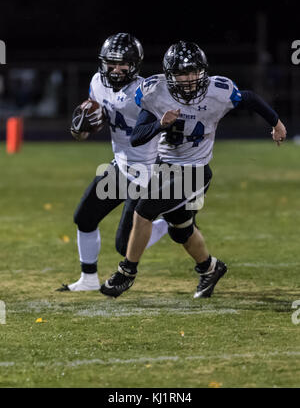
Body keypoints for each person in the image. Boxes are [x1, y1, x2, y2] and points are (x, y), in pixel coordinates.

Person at [100, 40, 287, 299]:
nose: (187, 79)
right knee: (179, 230)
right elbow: (138, 137)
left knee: (146, 210)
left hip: (195, 170)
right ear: (169, 75)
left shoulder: (218, 91)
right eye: (180, 73)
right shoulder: (155, 93)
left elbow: (251, 99)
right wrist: (160, 125)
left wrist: (276, 123)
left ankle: (127, 273)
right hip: (160, 166)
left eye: (192, 72)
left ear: (203, 71)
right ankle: (210, 268)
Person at [57, 33, 168, 292]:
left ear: (135, 65)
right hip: (120, 166)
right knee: (84, 217)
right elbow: (90, 126)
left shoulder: (146, 92)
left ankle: (167, 225)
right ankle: (88, 279)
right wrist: (81, 129)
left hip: (148, 171)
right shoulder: (97, 82)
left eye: (123, 64)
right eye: (111, 63)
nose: (116, 69)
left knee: (124, 245)